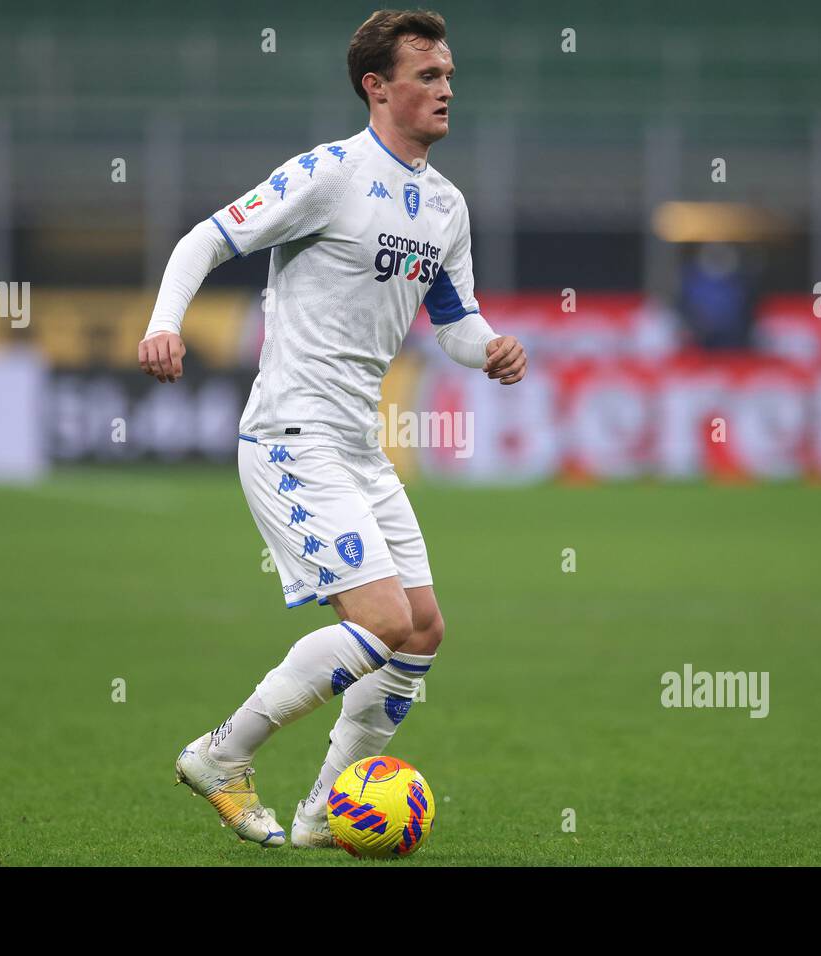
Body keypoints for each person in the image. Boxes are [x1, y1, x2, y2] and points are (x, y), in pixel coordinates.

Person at [137, 8, 527, 848]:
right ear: (376, 87)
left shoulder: (446, 205)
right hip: (290, 435)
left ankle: (323, 812)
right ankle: (222, 755)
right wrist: (164, 323)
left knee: (421, 629)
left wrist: (486, 348)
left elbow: (455, 319)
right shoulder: (331, 173)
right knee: (383, 618)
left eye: (450, 75)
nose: (446, 88)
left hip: (358, 443)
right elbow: (204, 240)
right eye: (428, 76)